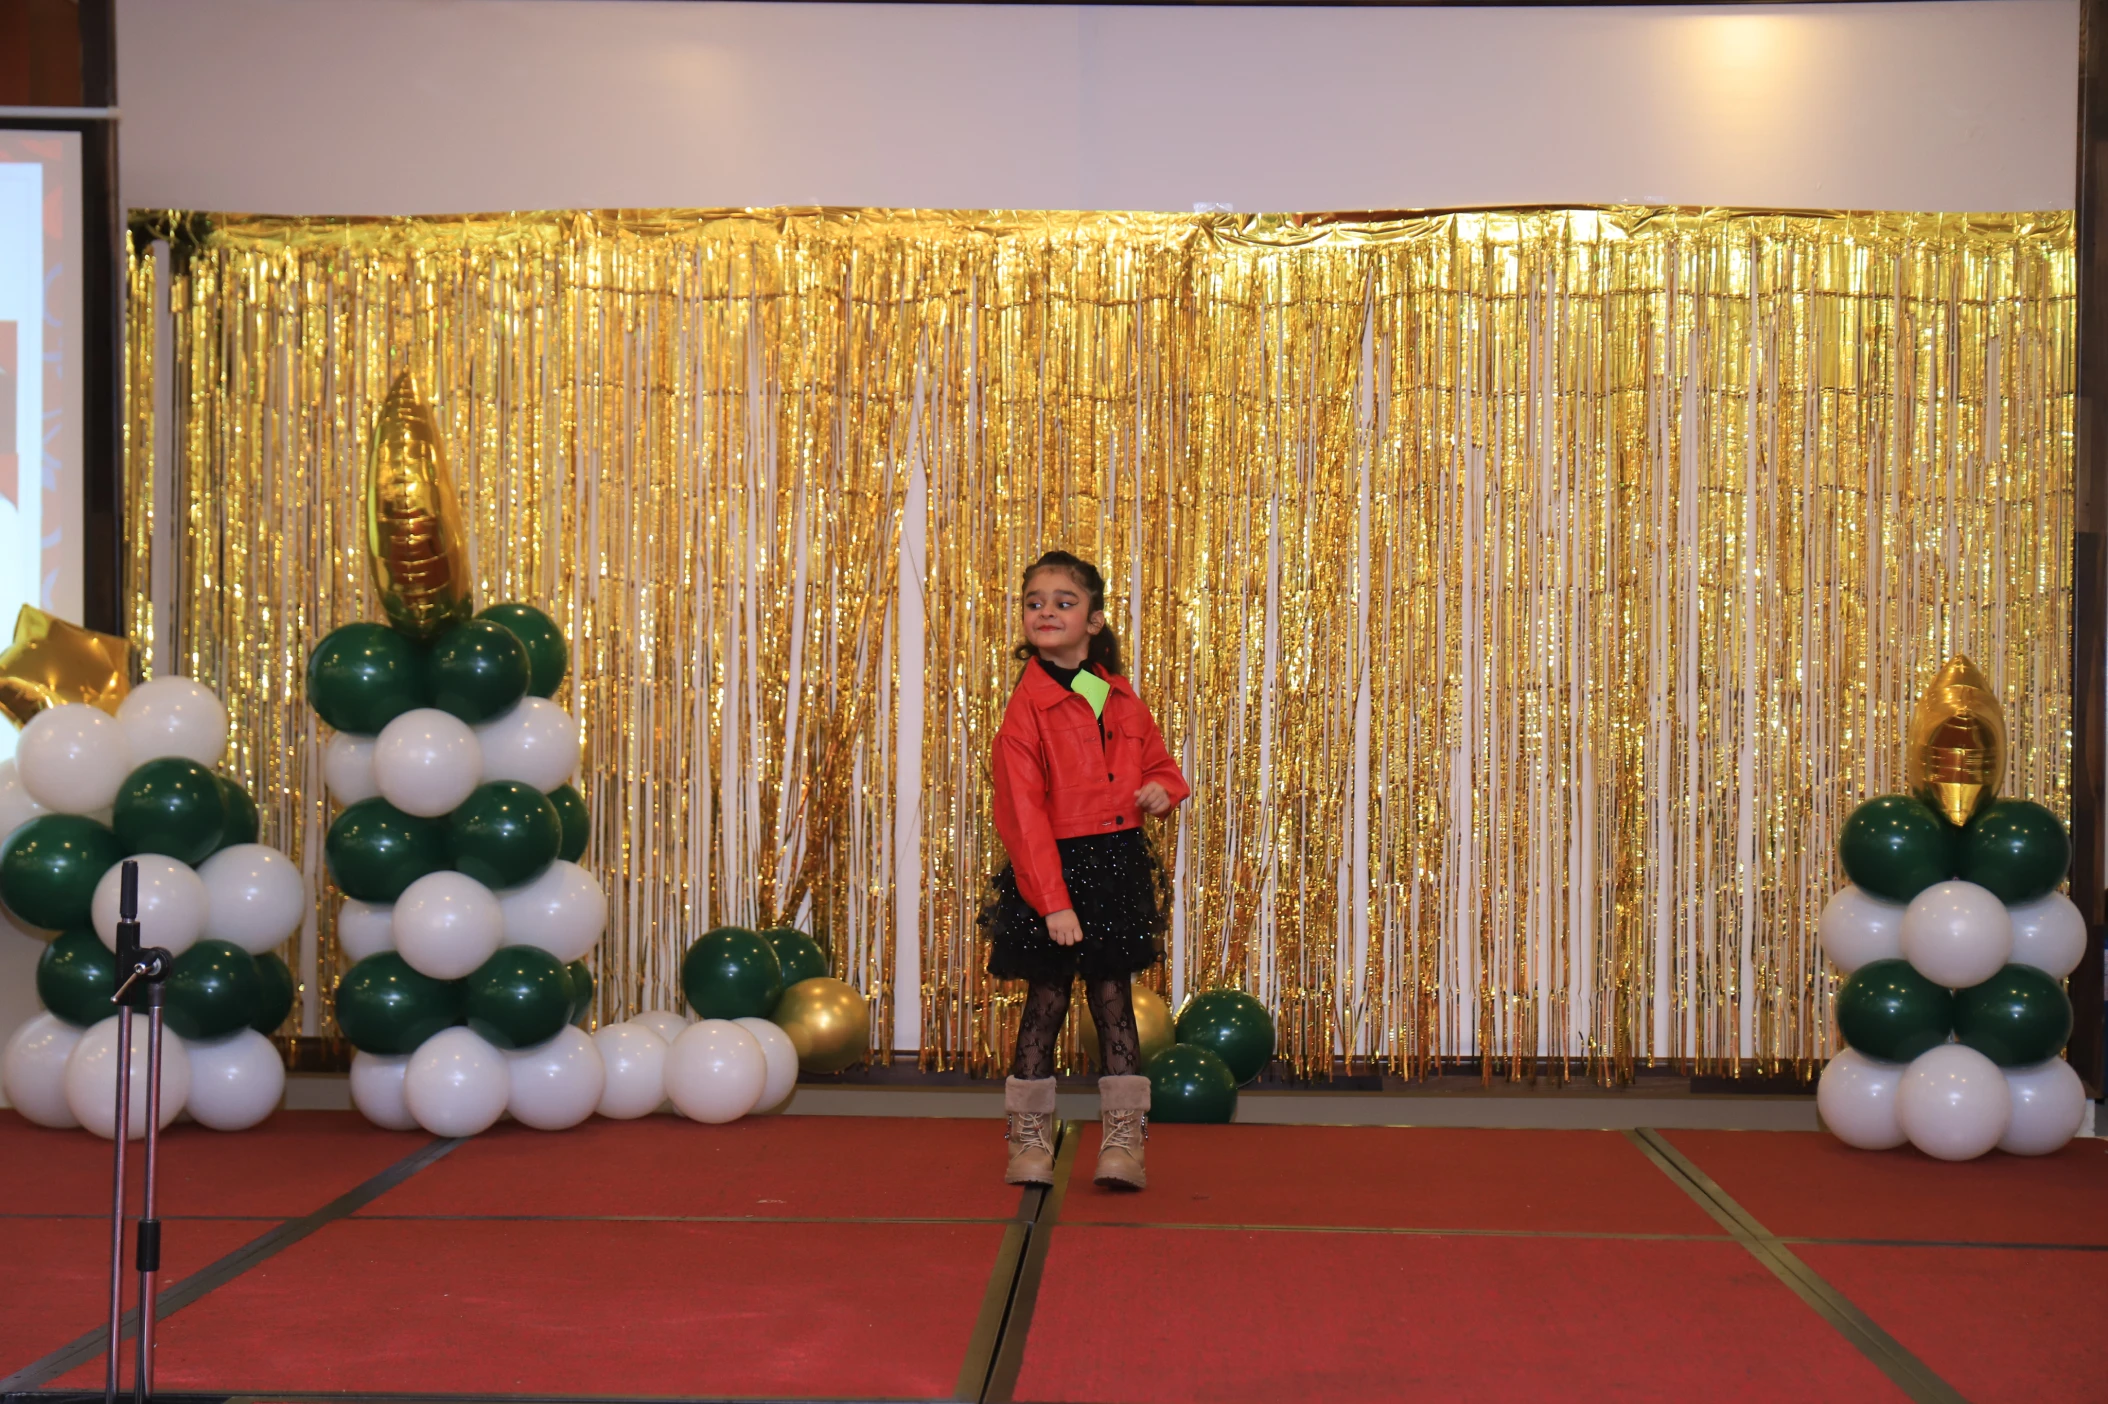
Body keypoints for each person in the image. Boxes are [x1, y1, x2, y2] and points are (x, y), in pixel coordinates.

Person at [981, 550, 1189, 1191]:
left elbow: (1159, 765)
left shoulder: (1110, 693)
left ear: (1093, 621)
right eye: (1034, 602)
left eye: (1063, 602)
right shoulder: (1027, 708)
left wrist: (1161, 790)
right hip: (1053, 868)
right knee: (1046, 998)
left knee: (1112, 999)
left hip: (1115, 863)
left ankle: (1125, 1142)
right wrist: (1053, 901)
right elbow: (1022, 815)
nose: (1046, 612)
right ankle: (1029, 1139)